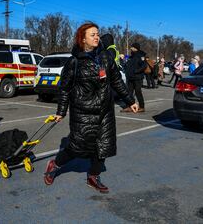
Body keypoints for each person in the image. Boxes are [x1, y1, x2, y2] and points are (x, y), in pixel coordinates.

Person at [43, 23, 138, 193]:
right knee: (76, 148)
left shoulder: (106, 57)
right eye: (92, 34)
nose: (96, 37)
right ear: (83, 38)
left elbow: (116, 80)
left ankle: (93, 176)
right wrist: (61, 112)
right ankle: (54, 165)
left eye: (97, 34)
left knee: (103, 147)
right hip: (83, 113)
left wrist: (130, 100)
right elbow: (64, 88)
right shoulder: (74, 62)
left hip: (105, 112)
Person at [122, 42, 147, 112]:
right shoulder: (131, 56)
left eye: (132, 47)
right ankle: (130, 106)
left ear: (135, 48)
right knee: (129, 92)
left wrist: (136, 71)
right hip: (130, 77)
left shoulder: (141, 56)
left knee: (138, 92)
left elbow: (144, 66)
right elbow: (128, 65)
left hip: (138, 77)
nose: (131, 48)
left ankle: (142, 107)